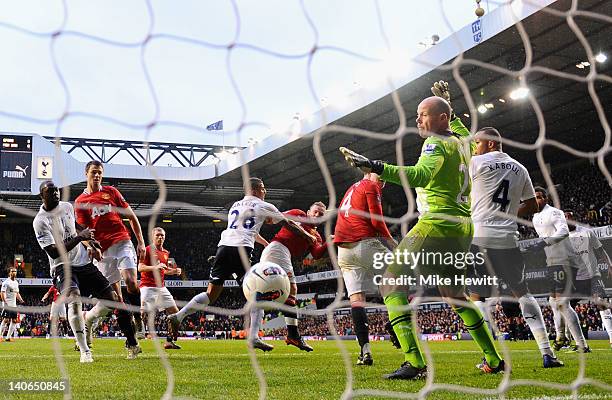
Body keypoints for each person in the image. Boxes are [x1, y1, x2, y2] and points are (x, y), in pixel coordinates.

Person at [339, 81, 504, 379]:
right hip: (463, 226)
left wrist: (375, 165)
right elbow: (465, 133)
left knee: (390, 283)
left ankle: (414, 362)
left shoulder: (436, 143)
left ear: (440, 119)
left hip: (437, 223)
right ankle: (493, 358)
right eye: (417, 114)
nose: (417, 120)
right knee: (454, 294)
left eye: (423, 114)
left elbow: (421, 175)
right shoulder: (463, 143)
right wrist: (449, 106)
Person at [169, 178, 316, 352]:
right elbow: (289, 223)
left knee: (211, 294)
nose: (265, 192)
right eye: (263, 188)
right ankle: (254, 338)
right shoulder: (263, 205)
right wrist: (308, 237)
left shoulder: (235, 205)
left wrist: (265, 243)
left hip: (223, 248)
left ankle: (179, 316)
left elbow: (249, 231)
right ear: (255, 189)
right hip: (242, 251)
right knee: (258, 294)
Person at [467, 127, 563, 368]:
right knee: (522, 292)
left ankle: (489, 357)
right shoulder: (519, 168)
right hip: (508, 240)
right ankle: (547, 353)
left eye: (477, 142)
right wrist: (509, 216)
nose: (474, 147)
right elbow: (531, 204)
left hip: (479, 237)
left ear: (490, 143)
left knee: (478, 295)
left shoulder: (476, 162)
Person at [33, 180, 141, 361]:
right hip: (62, 267)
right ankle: (85, 351)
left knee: (114, 300)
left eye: (57, 191)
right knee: (74, 299)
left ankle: (132, 344)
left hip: (83, 262)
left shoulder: (66, 207)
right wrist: (80, 238)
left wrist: (90, 240)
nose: (56, 195)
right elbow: (53, 251)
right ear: (41, 196)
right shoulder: (40, 221)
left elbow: (75, 225)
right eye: (51, 192)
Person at [74, 160, 146, 341]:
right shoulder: (80, 202)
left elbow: (131, 216)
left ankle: (138, 317)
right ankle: (89, 320)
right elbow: (82, 233)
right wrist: (91, 247)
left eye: (99, 172)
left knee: (131, 281)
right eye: (93, 172)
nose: (97, 175)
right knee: (115, 300)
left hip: (122, 242)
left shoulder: (111, 192)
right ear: (86, 174)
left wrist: (141, 242)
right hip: (103, 252)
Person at [334, 172, 396, 366]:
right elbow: (377, 221)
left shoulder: (351, 189)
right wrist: (392, 243)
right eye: (381, 176)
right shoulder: (370, 185)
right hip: (364, 244)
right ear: (368, 173)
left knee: (357, 300)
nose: (384, 180)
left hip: (343, 251)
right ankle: (395, 325)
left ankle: (365, 352)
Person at [249, 201, 328, 352]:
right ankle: (293, 335)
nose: (317, 215)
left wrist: (330, 242)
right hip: (278, 248)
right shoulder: (299, 214)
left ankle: (291, 334)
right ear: (308, 211)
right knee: (289, 289)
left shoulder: (316, 236)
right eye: (315, 212)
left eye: (321, 214)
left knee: (283, 291)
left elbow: (317, 254)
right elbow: (280, 219)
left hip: (285, 254)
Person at [529, 187, 590, 352]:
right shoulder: (535, 217)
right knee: (553, 301)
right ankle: (561, 337)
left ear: (546, 199)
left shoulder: (555, 213)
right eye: (534, 198)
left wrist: (543, 243)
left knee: (562, 302)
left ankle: (582, 345)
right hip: (552, 261)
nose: (536, 200)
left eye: (539, 197)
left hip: (565, 259)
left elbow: (563, 232)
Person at [565, 210, 612, 346]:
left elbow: (600, 250)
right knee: (566, 307)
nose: (567, 219)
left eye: (570, 216)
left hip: (592, 275)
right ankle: (568, 339)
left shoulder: (587, 232)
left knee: (600, 302)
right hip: (575, 279)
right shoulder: (562, 238)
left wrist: (609, 265)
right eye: (565, 218)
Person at [138, 227, 182, 349]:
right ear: (153, 237)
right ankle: (131, 342)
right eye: (157, 235)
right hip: (147, 286)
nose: (160, 237)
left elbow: (163, 270)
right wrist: (154, 267)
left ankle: (169, 341)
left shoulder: (166, 253)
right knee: (142, 315)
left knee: (176, 314)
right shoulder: (146, 250)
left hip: (161, 288)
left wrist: (174, 271)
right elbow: (140, 267)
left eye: (162, 235)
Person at [0, 267, 24, 342]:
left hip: (14, 305)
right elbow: (2, 293)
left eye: (15, 271)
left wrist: (21, 300)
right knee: (6, 320)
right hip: (8, 304)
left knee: (14, 321)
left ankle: (8, 337)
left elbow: (17, 293)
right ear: (9, 273)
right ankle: (0, 336)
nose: (14, 272)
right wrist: (5, 302)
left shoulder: (16, 282)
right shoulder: (6, 282)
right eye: (12, 271)